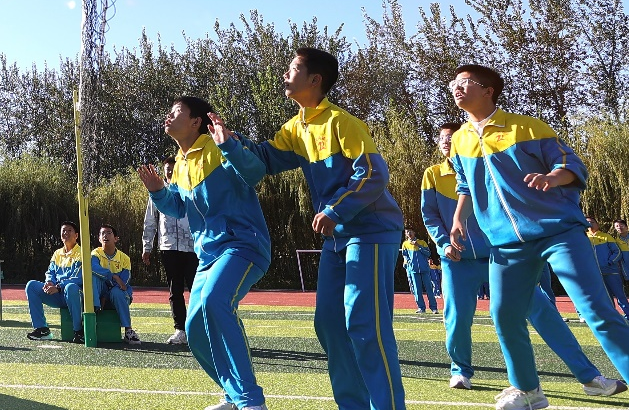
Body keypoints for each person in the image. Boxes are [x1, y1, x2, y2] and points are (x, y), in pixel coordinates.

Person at [221, 48, 405, 410]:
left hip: (370, 230)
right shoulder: (297, 127)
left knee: (365, 325)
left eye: (293, 68)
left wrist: (336, 209)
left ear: (315, 80)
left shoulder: (342, 122)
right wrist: (230, 139)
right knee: (330, 324)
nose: (285, 74)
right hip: (338, 236)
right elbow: (263, 160)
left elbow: (374, 173)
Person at [448, 63, 629, 410]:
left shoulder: (527, 127)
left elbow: (572, 165)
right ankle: (528, 391)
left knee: (596, 310)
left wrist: (553, 178)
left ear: (488, 90)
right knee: (505, 315)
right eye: (453, 84)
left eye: (465, 82)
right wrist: (459, 219)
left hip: (558, 232)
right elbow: (465, 186)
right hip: (505, 244)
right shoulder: (460, 140)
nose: (457, 88)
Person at [422, 120, 624, 394]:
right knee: (458, 319)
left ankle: (589, 377)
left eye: (453, 136)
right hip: (458, 261)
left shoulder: (489, 163)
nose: (448, 141)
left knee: (544, 313)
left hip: (501, 254)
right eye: (444, 137)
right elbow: (430, 216)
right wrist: (445, 242)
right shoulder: (433, 175)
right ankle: (462, 371)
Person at [146, 95, 273, 410]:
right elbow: (177, 207)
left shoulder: (218, 144)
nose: (168, 116)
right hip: (209, 255)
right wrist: (158, 191)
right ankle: (231, 396)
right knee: (194, 328)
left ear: (195, 122)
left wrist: (229, 144)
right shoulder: (181, 162)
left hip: (242, 244)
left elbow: (255, 172)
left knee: (217, 302)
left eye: (176, 112)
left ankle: (250, 401)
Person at [142, 155, 196, 345]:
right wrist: (147, 246)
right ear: (163, 171)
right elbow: (150, 221)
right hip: (169, 246)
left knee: (197, 289)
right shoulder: (157, 192)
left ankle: (199, 330)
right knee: (175, 290)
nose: (171, 171)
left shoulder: (190, 188)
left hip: (192, 247)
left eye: (174, 168)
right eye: (167, 168)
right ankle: (180, 330)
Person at [24, 222, 85, 343]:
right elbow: (50, 272)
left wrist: (58, 287)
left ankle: (79, 332)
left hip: (74, 295)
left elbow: (79, 278)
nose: (66, 233)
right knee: (31, 286)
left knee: (70, 287)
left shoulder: (82, 253)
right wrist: (49, 283)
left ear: (76, 235)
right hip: (57, 294)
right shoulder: (57, 253)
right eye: (63, 231)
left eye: (69, 230)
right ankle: (42, 329)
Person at [91, 224, 140, 343]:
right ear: (99, 238)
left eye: (109, 233)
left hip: (116, 295)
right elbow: (93, 267)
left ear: (116, 238)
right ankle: (93, 312)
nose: (105, 236)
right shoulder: (95, 254)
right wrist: (112, 275)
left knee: (117, 291)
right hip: (101, 293)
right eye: (102, 233)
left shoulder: (124, 258)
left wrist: (106, 296)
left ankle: (128, 331)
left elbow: (124, 282)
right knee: (93, 277)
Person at [588, 216, 629, 321]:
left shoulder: (607, 237)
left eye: (593, 222)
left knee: (620, 295)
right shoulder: (585, 238)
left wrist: (610, 262)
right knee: (606, 297)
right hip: (596, 273)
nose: (590, 224)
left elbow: (617, 252)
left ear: (597, 224)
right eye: (588, 222)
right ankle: (612, 317)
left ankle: (628, 314)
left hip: (611, 271)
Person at [401, 227, 439, 314]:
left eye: (411, 231)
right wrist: (408, 264)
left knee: (429, 289)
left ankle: (434, 308)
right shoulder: (405, 244)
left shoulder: (422, 242)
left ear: (414, 233)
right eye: (407, 232)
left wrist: (419, 246)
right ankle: (421, 307)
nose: (409, 233)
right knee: (417, 290)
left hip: (424, 269)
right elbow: (405, 256)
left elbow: (428, 253)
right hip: (413, 270)